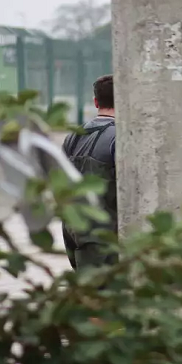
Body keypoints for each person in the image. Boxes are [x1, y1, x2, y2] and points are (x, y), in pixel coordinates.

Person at [61, 74, 118, 270]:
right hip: (107, 237)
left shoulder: (73, 137)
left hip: (74, 232)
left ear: (95, 102)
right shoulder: (121, 137)